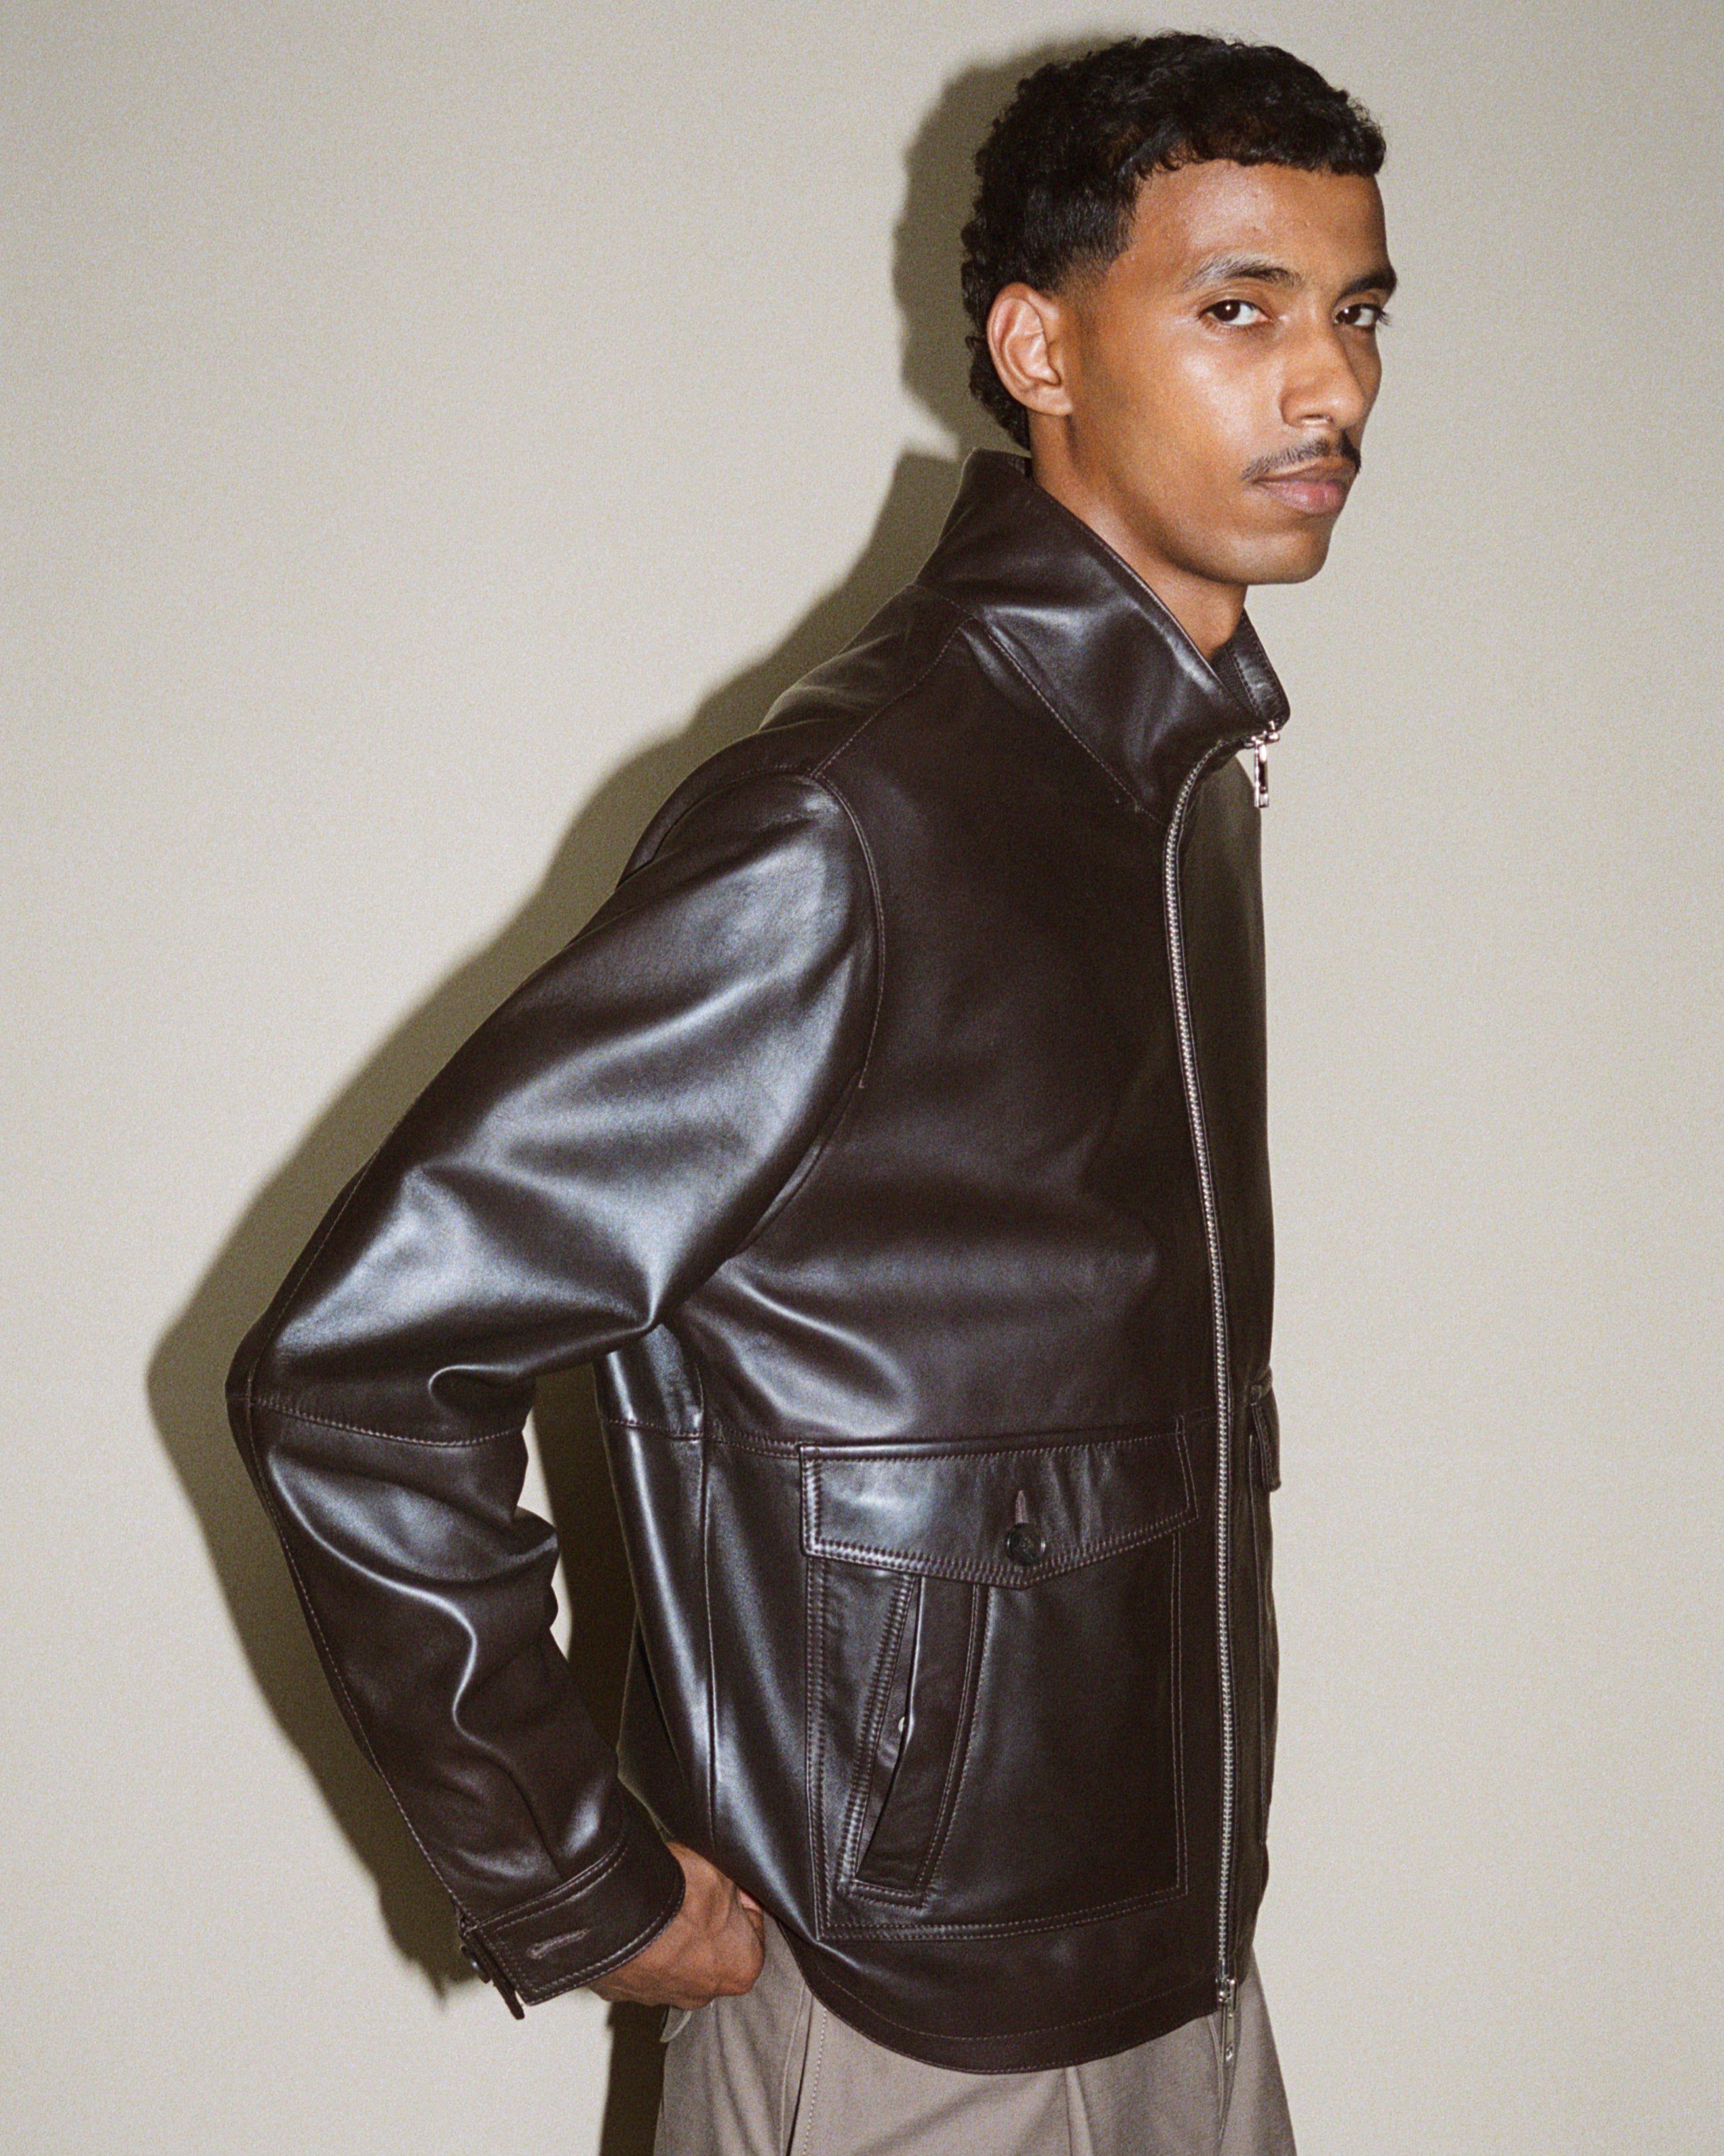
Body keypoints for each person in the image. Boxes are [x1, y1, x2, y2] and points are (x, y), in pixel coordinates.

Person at [227, 31, 1393, 2155]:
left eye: (1357, 311)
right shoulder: (850, 823)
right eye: (1242, 309)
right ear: (1039, 346)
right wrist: (575, 1883)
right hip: (905, 2033)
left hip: (1186, 1982)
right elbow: (358, 1373)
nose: (1330, 384)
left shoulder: (1172, 790)